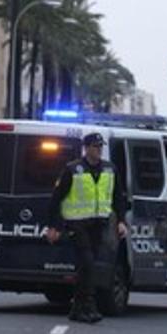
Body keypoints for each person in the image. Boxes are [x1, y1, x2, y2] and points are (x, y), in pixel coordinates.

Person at [45, 132, 129, 324]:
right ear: (86, 148)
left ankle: (76, 308)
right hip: (76, 224)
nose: (98, 150)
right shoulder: (73, 170)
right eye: (94, 146)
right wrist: (54, 226)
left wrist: (121, 221)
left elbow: (118, 197)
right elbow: (56, 199)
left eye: (100, 147)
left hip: (99, 224)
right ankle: (89, 306)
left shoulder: (110, 169)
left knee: (85, 267)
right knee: (88, 263)